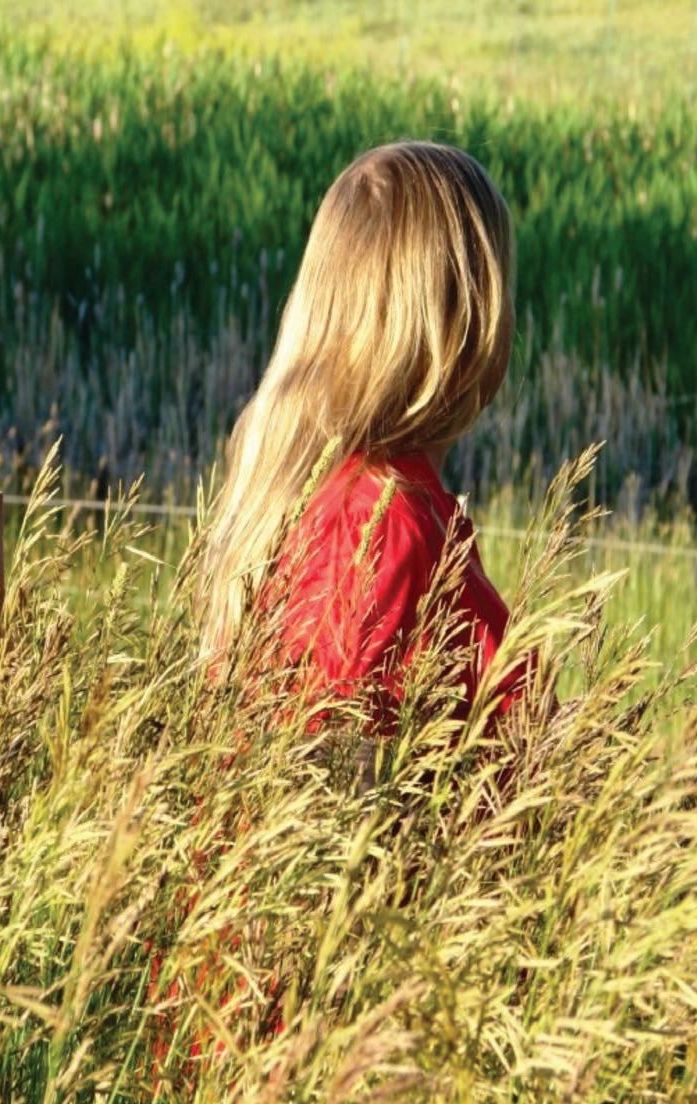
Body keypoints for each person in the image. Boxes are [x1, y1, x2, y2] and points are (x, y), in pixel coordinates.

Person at [146, 139, 526, 1096]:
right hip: (330, 1044)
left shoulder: (360, 502)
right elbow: (317, 820)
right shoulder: (376, 526)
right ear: (458, 318)